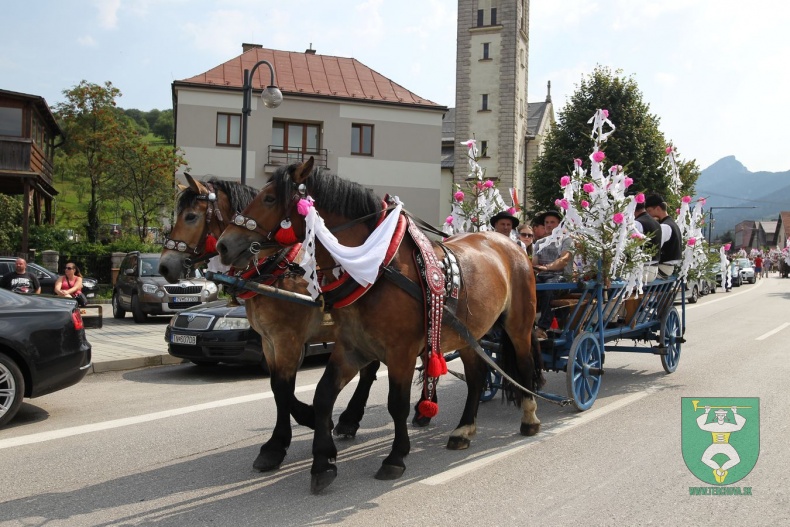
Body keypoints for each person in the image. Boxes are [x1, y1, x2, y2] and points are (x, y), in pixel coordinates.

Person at [532, 210, 573, 339]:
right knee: (524, 286)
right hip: (542, 276)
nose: (549, 225)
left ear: (560, 224)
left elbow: (564, 260)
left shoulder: (567, 240)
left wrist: (546, 267)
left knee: (549, 287)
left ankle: (542, 328)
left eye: (552, 222)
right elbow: (534, 263)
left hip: (562, 278)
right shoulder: (539, 243)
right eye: (546, 222)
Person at [644, 194, 682, 278]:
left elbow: (654, 249)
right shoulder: (671, 223)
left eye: (649, 211)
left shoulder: (664, 226)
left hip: (662, 269)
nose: (648, 215)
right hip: (667, 268)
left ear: (658, 208)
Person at [633, 201, 662, 281]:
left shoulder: (637, 223)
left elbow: (630, 246)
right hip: (654, 269)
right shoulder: (656, 223)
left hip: (643, 271)